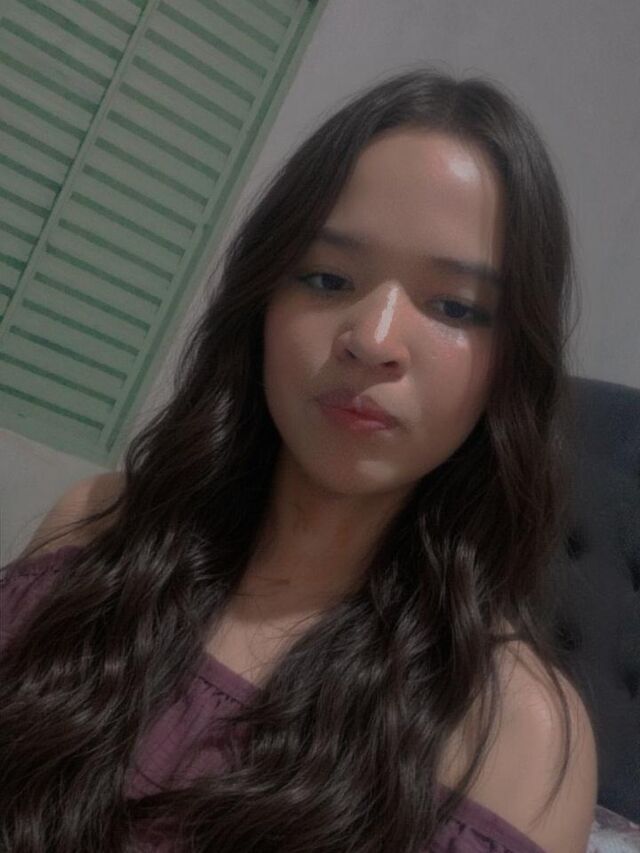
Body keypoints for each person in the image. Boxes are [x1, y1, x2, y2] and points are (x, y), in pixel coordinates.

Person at [0, 67, 597, 852]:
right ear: (262, 304)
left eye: (455, 305)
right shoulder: (94, 532)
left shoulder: (520, 740)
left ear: (513, 364)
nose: (373, 339)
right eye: (326, 277)